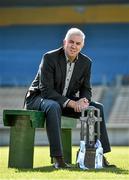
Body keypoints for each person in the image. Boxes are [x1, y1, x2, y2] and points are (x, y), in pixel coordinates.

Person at [24, 27, 115, 169]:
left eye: (78, 43)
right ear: (64, 42)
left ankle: (99, 154)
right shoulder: (49, 57)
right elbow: (46, 90)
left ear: (82, 46)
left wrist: (84, 101)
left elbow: (86, 88)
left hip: (63, 101)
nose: (74, 46)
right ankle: (58, 159)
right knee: (53, 106)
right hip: (38, 98)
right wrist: (72, 103)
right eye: (71, 42)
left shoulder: (86, 62)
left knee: (96, 107)